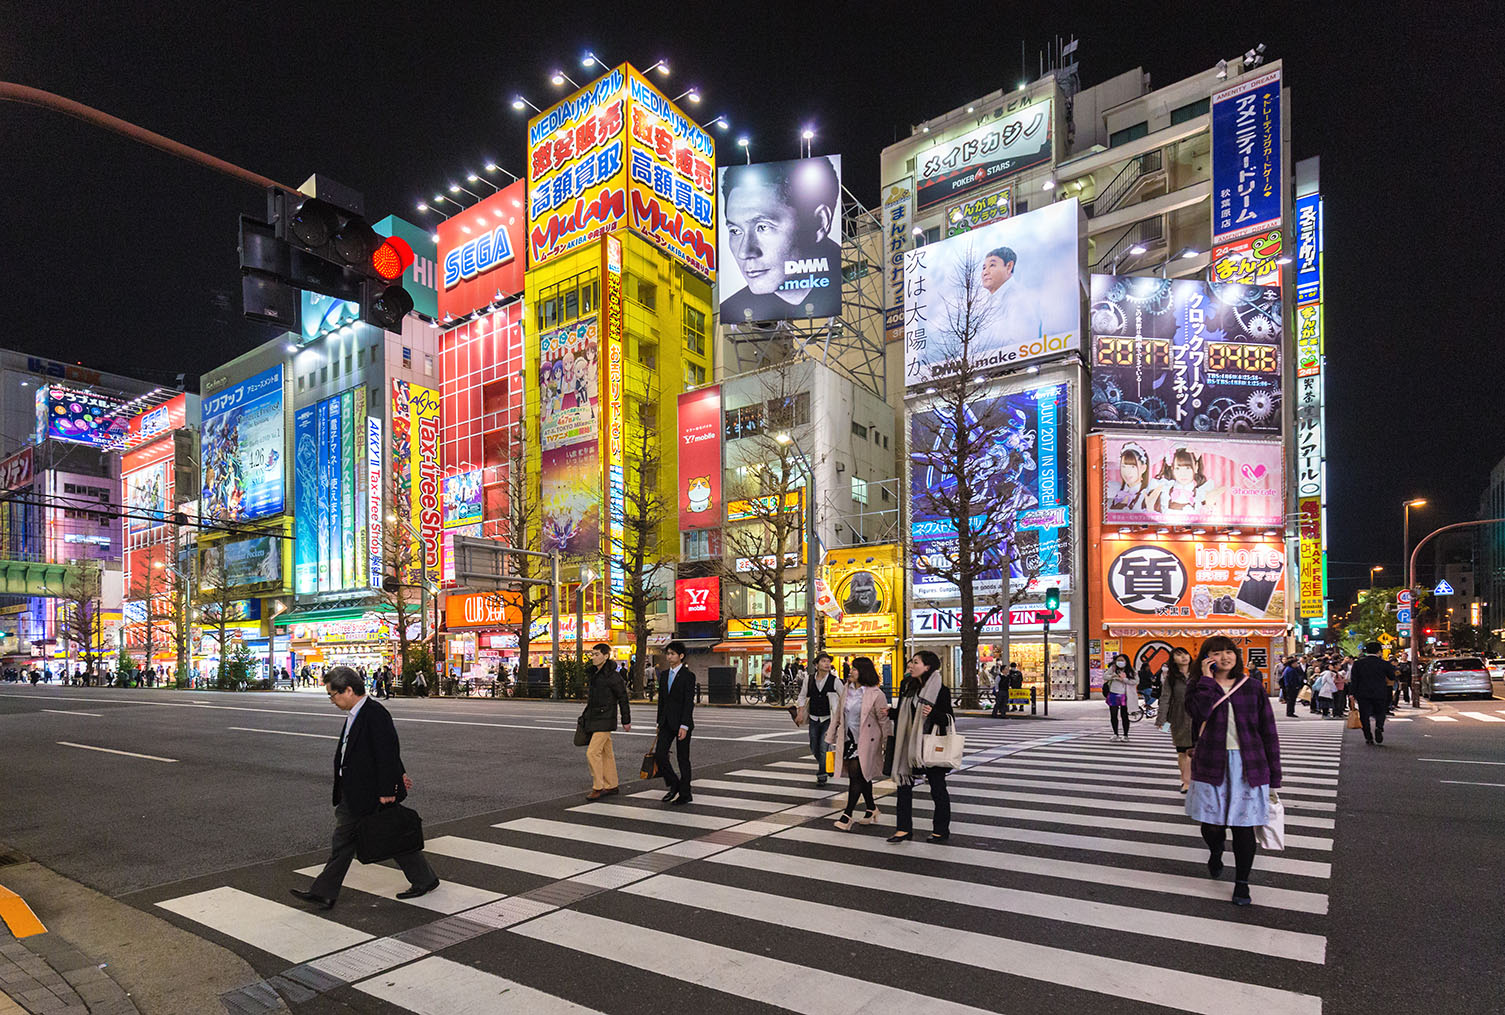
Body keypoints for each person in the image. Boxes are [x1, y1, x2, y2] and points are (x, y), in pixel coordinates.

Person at [290, 666, 437, 910]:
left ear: (348, 690)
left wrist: (390, 787)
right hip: (356, 789)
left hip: (370, 792)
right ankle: (325, 892)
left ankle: (324, 892)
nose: (332, 700)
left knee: (383, 836)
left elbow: (387, 751)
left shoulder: (374, 713)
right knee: (355, 840)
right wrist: (399, 774)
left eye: (333, 695)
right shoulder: (357, 713)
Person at [1184, 636, 1283, 907]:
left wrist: (1274, 776)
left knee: (1244, 827)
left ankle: (1242, 883)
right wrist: (1206, 679)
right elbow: (1197, 712)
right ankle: (1216, 851)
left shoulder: (1252, 687)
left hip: (1249, 763)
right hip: (1210, 761)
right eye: (1217, 652)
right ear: (1206, 658)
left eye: (1229, 652)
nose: (1225, 657)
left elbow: (1268, 731)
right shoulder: (1198, 686)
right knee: (1212, 825)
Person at [720, 157, 842, 323]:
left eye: (763, 227)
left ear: (820, 222)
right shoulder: (732, 309)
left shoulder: (847, 288)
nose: (744, 251)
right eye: (735, 231)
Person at [888, 650, 954, 844]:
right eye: (911, 661)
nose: (910, 665)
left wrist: (933, 713)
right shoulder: (907, 685)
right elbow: (903, 712)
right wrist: (891, 713)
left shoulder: (941, 690)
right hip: (908, 743)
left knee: (937, 788)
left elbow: (948, 719)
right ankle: (903, 829)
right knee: (904, 785)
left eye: (915, 662)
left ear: (928, 667)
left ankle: (941, 830)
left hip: (930, 745)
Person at [828, 656, 890, 831]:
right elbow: (839, 715)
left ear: (863, 672)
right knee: (862, 777)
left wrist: (887, 742)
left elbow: (884, 721)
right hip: (849, 739)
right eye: (851, 668)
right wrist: (830, 736)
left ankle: (847, 815)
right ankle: (871, 808)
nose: (851, 671)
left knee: (856, 775)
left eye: (855, 669)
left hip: (867, 741)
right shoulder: (847, 690)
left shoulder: (876, 694)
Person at [581, 644, 631, 799]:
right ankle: (611, 784)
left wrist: (626, 719)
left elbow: (623, 697)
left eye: (596, 654)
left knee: (592, 752)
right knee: (606, 753)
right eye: (592, 654)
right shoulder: (595, 674)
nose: (593, 657)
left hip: (605, 718)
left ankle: (598, 786)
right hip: (595, 717)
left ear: (606, 656)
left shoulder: (613, 676)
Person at [978, 245, 1044, 350]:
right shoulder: (988, 302)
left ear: (1009, 267)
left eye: (992, 265)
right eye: (984, 268)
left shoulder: (1019, 300)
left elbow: (1024, 348)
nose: (985, 272)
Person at [655, 641, 695, 805]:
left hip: (681, 723)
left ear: (681, 656)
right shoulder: (664, 675)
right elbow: (662, 701)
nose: (669, 656)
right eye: (668, 653)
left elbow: (688, 702)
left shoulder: (688, 676)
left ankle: (685, 793)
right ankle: (674, 784)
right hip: (666, 722)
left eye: (672, 653)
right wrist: (658, 723)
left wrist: (684, 725)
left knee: (682, 758)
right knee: (660, 755)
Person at [796, 652, 840, 786]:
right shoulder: (809, 679)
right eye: (823, 661)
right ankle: (828, 765)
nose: (827, 664)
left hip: (828, 718)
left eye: (828, 661)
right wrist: (800, 712)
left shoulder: (835, 680)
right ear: (816, 665)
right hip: (814, 717)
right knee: (814, 746)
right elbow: (802, 696)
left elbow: (844, 697)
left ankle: (822, 774)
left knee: (822, 746)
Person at [1161, 646, 1197, 793]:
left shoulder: (1199, 674)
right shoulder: (1171, 679)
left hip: (1198, 718)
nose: (1184, 657)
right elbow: (1165, 699)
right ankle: (1186, 781)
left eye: (1185, 654)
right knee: (1183, 751)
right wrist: (1162, 720)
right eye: (1179, 655)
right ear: (1173, 660)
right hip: (1178, 718)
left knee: (1196, 750)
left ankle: (1197, 779)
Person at [1347, 642, 1395, 745]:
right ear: (1379, 651)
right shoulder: (1384, 663)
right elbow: (1392, 677)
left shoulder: (1358, 663)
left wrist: (1351, 693)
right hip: (1380, 692)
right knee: (1380, 712)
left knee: (1364, 715)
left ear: (1366, 651)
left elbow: (1354, 680)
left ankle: (1368, 736)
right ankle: (1379, 727)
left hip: (1363, 693)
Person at [1103, 654, 1137, 741]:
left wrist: (1124, 679)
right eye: (1118, 660)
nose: (1120, 662)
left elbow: (1135, 681)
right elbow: (1105, 676)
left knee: (1124, 715)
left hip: (1125, 695)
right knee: (1113, 715)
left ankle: (1125, 735)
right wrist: (1113, 677)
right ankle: (1115, 733)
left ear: (1126, 661)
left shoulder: (1131, 670)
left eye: (1122, 660)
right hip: (1113, 694)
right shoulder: (1113, 668)